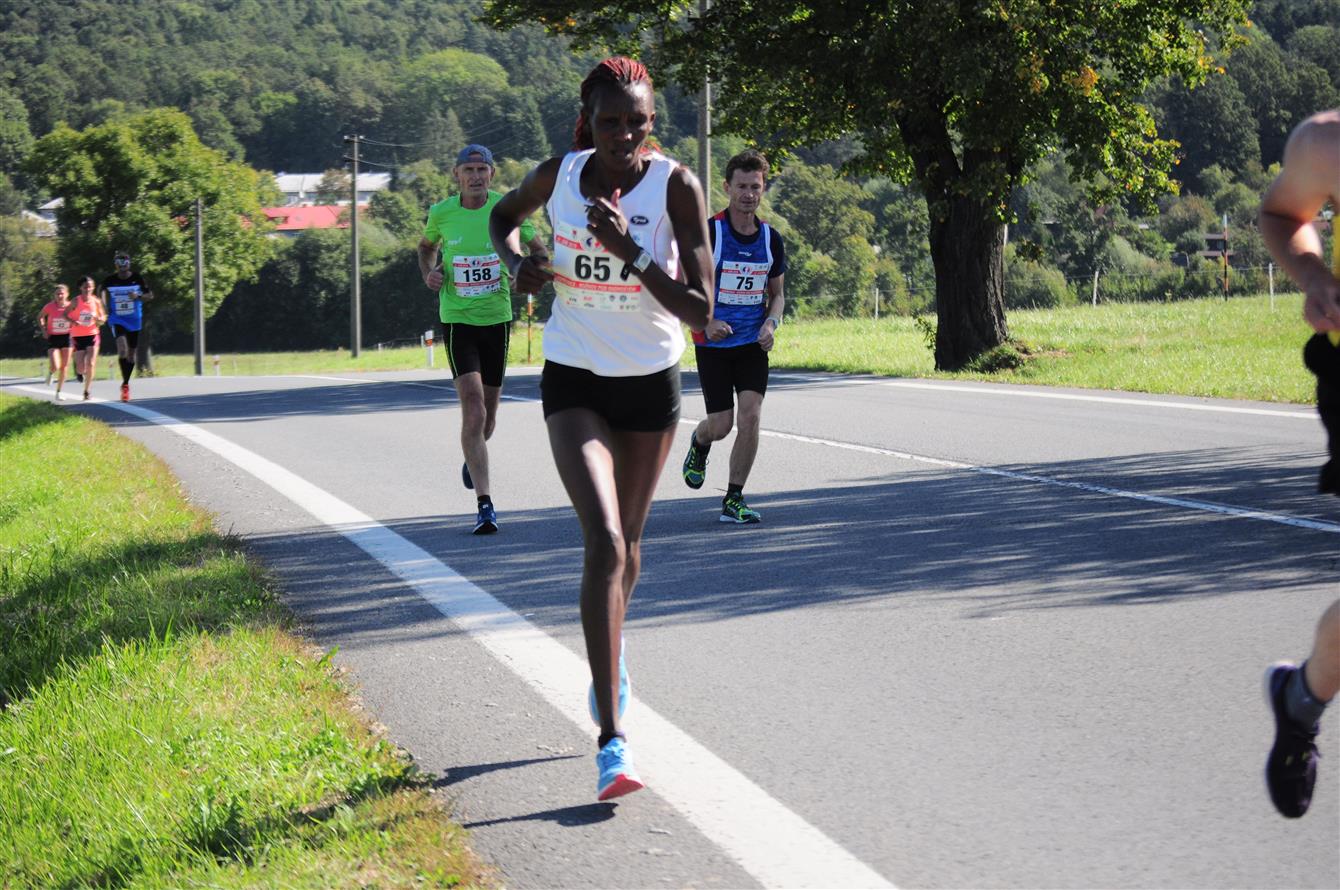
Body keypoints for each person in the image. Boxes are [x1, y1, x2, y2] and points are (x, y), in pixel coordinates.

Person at [490, 57, 712, 801]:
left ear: (652, 122)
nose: (623, 135)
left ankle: (608, 656)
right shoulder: (558, 176)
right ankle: (613, 741)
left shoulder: (675, 186)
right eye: (610, 121)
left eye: (636, 122)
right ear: (589, 120)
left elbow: (700, 310)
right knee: (606, 542)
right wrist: (517, 264)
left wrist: (632, 253)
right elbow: (501, 219)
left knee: (632, 546)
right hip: (574, 374)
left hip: (650, 380)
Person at [1258, 107, 1340, 818]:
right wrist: (1313, 275)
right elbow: (1283, 214)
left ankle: (1300, 698)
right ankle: (1303, 699)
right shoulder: (1327, 143)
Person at [418, 144, 548, 535]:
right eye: (468, 170)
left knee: (488, 419)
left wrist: (528, 271)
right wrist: (429, 273)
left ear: (491, 174)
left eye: (482, 170)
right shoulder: (442, 212)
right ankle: (485, 505)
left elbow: (539, 250)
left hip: (496, 320)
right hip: (458, 320)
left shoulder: (507, 210)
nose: (475, 176)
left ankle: (473, 455)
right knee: (473, 409)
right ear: (456, 174)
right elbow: (426, 247)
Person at [680, 149, 787, 523]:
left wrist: (771, 324)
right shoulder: (710, 233)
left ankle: (734, 499)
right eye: (741, 186)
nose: (748, 194)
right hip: (713, 344)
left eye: (755, 187)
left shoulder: (771, 239)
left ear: (763, 189)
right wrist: (706, 322)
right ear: (727, 187)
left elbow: (777, 295)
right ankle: (700, 441)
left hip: (752, 344)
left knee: (751, 416)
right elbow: (685, 288)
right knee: (721, 425)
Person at [100, 250, 154, 402]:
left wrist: (138, 296)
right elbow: (101, 290)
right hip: (117, 319)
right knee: (122, 349)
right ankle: (125, 386)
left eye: (125, 262)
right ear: (116, 265)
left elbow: (150, 295)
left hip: (134, 320)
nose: (122, 265)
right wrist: (104, 306)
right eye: (119, 262)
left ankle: (125, 383)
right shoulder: (110, 280)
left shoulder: (137, 278)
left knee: (131, 354)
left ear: (129, 264)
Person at [66, 276, 107, 402]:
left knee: (91, 363)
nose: (88, 289)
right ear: (80, 288)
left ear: (93, 287)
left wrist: (100, 319)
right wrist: (74, 322)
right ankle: (78, 371)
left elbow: (103, 318)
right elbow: (65, 314)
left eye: (90, 287)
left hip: (92, 334)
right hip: (77, 336)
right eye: (85, 287)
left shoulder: (96, 301)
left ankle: (87, 391)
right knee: (81, 367)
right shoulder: (75, 301)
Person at [37, 283, 74, 399]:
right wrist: (43, 330)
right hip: (53, 337)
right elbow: (40, 317)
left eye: (62, 294)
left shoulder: (71, 306)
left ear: (67, 294)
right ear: (54, 295)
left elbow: (77, 317)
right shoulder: (49, 306)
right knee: (55, 365)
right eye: (57, 294)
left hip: (67, 337)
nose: (60, 296)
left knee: (64, 367)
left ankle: (59, 392)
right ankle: (51, 372)